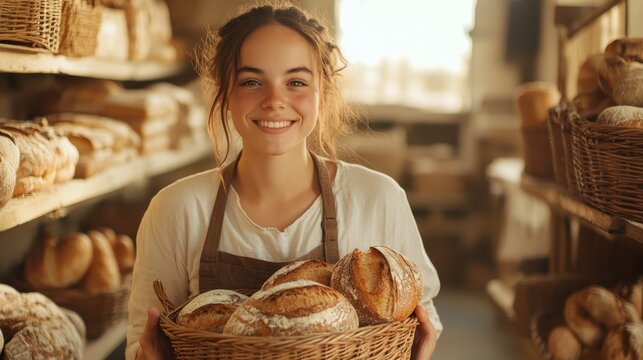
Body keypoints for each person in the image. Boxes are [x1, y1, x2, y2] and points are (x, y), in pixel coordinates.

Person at [126, 2, 442, 359]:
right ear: (224, 93)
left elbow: (420, 314)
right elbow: (143, 337)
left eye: (296, 82)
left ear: (323, 91)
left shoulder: (377, 198)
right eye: (251, 82)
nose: (275, 100)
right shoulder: (177, 209)